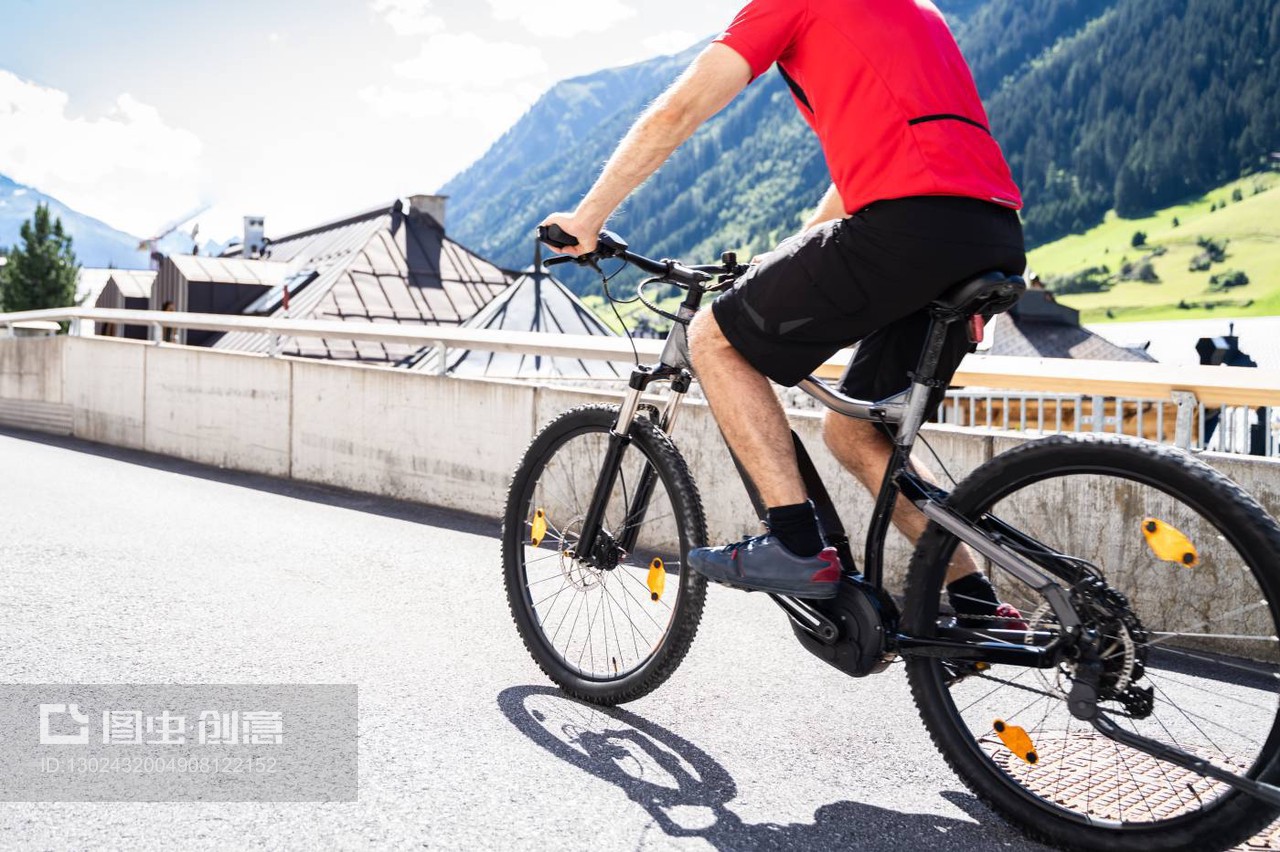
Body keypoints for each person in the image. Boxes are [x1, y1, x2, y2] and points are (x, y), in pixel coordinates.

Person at [540, 0, 1027, 624]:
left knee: (714, 339)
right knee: (856, 431)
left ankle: (795, 543)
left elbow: (677, 110)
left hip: (907, 227)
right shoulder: (918, 13)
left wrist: (588, 219)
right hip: (990, 235)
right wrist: (783, 260)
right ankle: (975, 603)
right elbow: (865, 177)